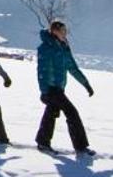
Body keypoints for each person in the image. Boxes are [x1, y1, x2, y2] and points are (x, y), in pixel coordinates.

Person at [36, 19, 95, 155]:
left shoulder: (63, 47)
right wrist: (46, 90)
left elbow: (72, 68)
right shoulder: (46, 48)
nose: (65, 33)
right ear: (55, 31)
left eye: (65, 31)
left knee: (51, 113)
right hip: (51, 89)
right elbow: (42, 71)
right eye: (63, 31)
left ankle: (42, 142)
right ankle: (80, 147)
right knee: (72, 113)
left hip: (59, 88)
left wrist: (86, 84)